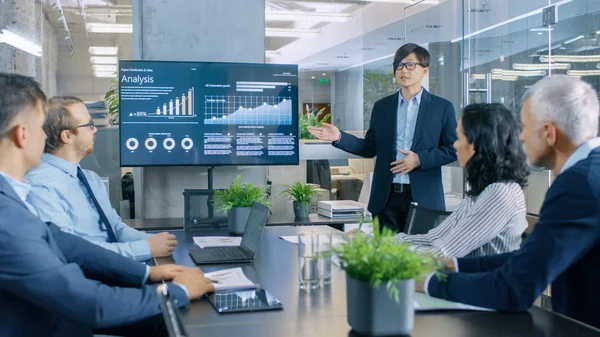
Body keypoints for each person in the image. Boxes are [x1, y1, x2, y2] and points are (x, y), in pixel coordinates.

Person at [0, 73, 214, 337]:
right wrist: (176, 290)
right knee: (183, 319)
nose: (46, 137)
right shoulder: (7, 219)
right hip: (68, 323)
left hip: (71, 309)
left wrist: (146, 274)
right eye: (41, 127)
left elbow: (66, 243)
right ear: (22, 135)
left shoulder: (10, 196)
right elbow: (87, 303)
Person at [417, 75, 600, 329]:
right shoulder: (590, 173)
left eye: (525, 126)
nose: (521, 137)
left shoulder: (578, 184)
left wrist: (429, 283)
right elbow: (532, 257)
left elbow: (516, 287)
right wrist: (455, 265)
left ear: (548, 133)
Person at [309, 43, 457, 232]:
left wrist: (419, 159)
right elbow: (370, 148)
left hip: (424, 199)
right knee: (386, 258)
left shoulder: (442, 108)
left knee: (421, 259)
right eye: (399, 65)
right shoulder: (382, 107)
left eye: (410, 65)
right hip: (386, 200)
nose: (403, 70)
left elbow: (453, 149)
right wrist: (339, 137)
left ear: (425, 70)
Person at [26, 96, 176, 262]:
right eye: (90, 125)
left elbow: (116, 228)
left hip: (114, 266)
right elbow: (71, 253)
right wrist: (145, 248)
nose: (95, 130)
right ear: (67, 136)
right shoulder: (41, 186)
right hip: (88, 277)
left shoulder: (90, 179)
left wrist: (155, 241)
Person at [395, 103, 529, 257]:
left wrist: (384, 252)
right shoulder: (482, 189)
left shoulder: (500, 193)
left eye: (459, 138)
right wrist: (384, 243)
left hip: (477, 279)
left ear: (476, 145)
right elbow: (433, 238)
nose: (454, 145)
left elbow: (443, 254)